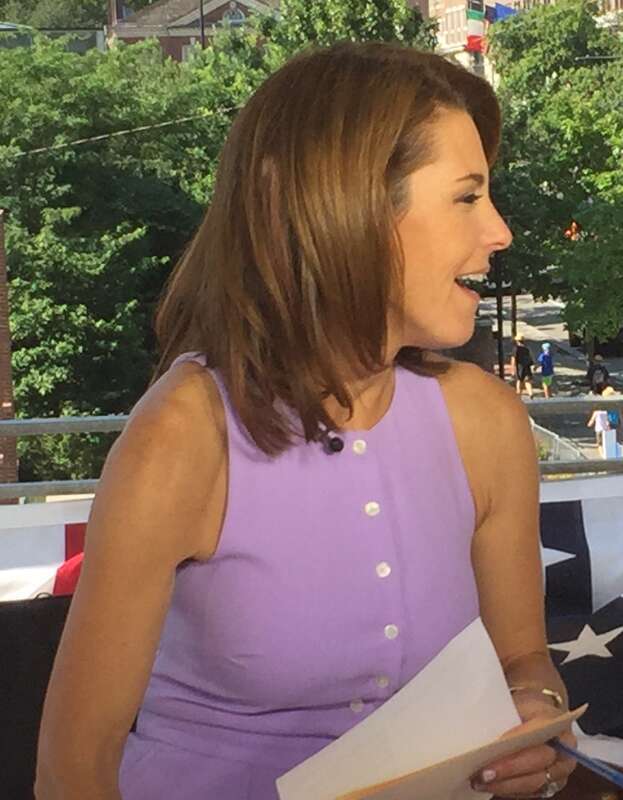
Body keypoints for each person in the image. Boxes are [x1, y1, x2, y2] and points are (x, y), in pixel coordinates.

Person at [36, 43, 576, 800]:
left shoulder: (485, 420)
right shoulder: (181, 437)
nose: (499, 232)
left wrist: (534, 716)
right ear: (344, 207)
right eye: (466, 196)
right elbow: (71, 773)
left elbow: (525, 661)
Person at [510, 334, 534, 399]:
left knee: (519, 382)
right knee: (527, 381)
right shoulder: (526, 349)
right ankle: (531, 394)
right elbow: (531, 358)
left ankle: (518, 396)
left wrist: (512, 369)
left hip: (519, 368)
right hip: (527, 367)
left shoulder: (516, 349)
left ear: (517, 341)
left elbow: (513, 359)